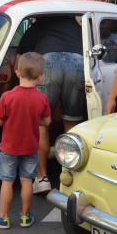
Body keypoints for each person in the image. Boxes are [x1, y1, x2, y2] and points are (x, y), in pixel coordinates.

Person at [17, 13, 85, 194]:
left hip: (47, 63)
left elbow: (21, 57)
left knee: (41, 125)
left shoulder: (40, 24)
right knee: (72, 123)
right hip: (77, 63)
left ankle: (42, 178)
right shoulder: (77, 27)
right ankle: (71, 176)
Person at [0, 52, 51, 229]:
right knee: (27, 181)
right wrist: (33, 120)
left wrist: (10, 119)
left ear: (17, 72)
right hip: (31, 147)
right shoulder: (42, 98)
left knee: (7, 181)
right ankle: (25, 217)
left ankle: (3, 218)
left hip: (9, 147)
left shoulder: (7, 96)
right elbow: (46, 122)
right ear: (40, 76)